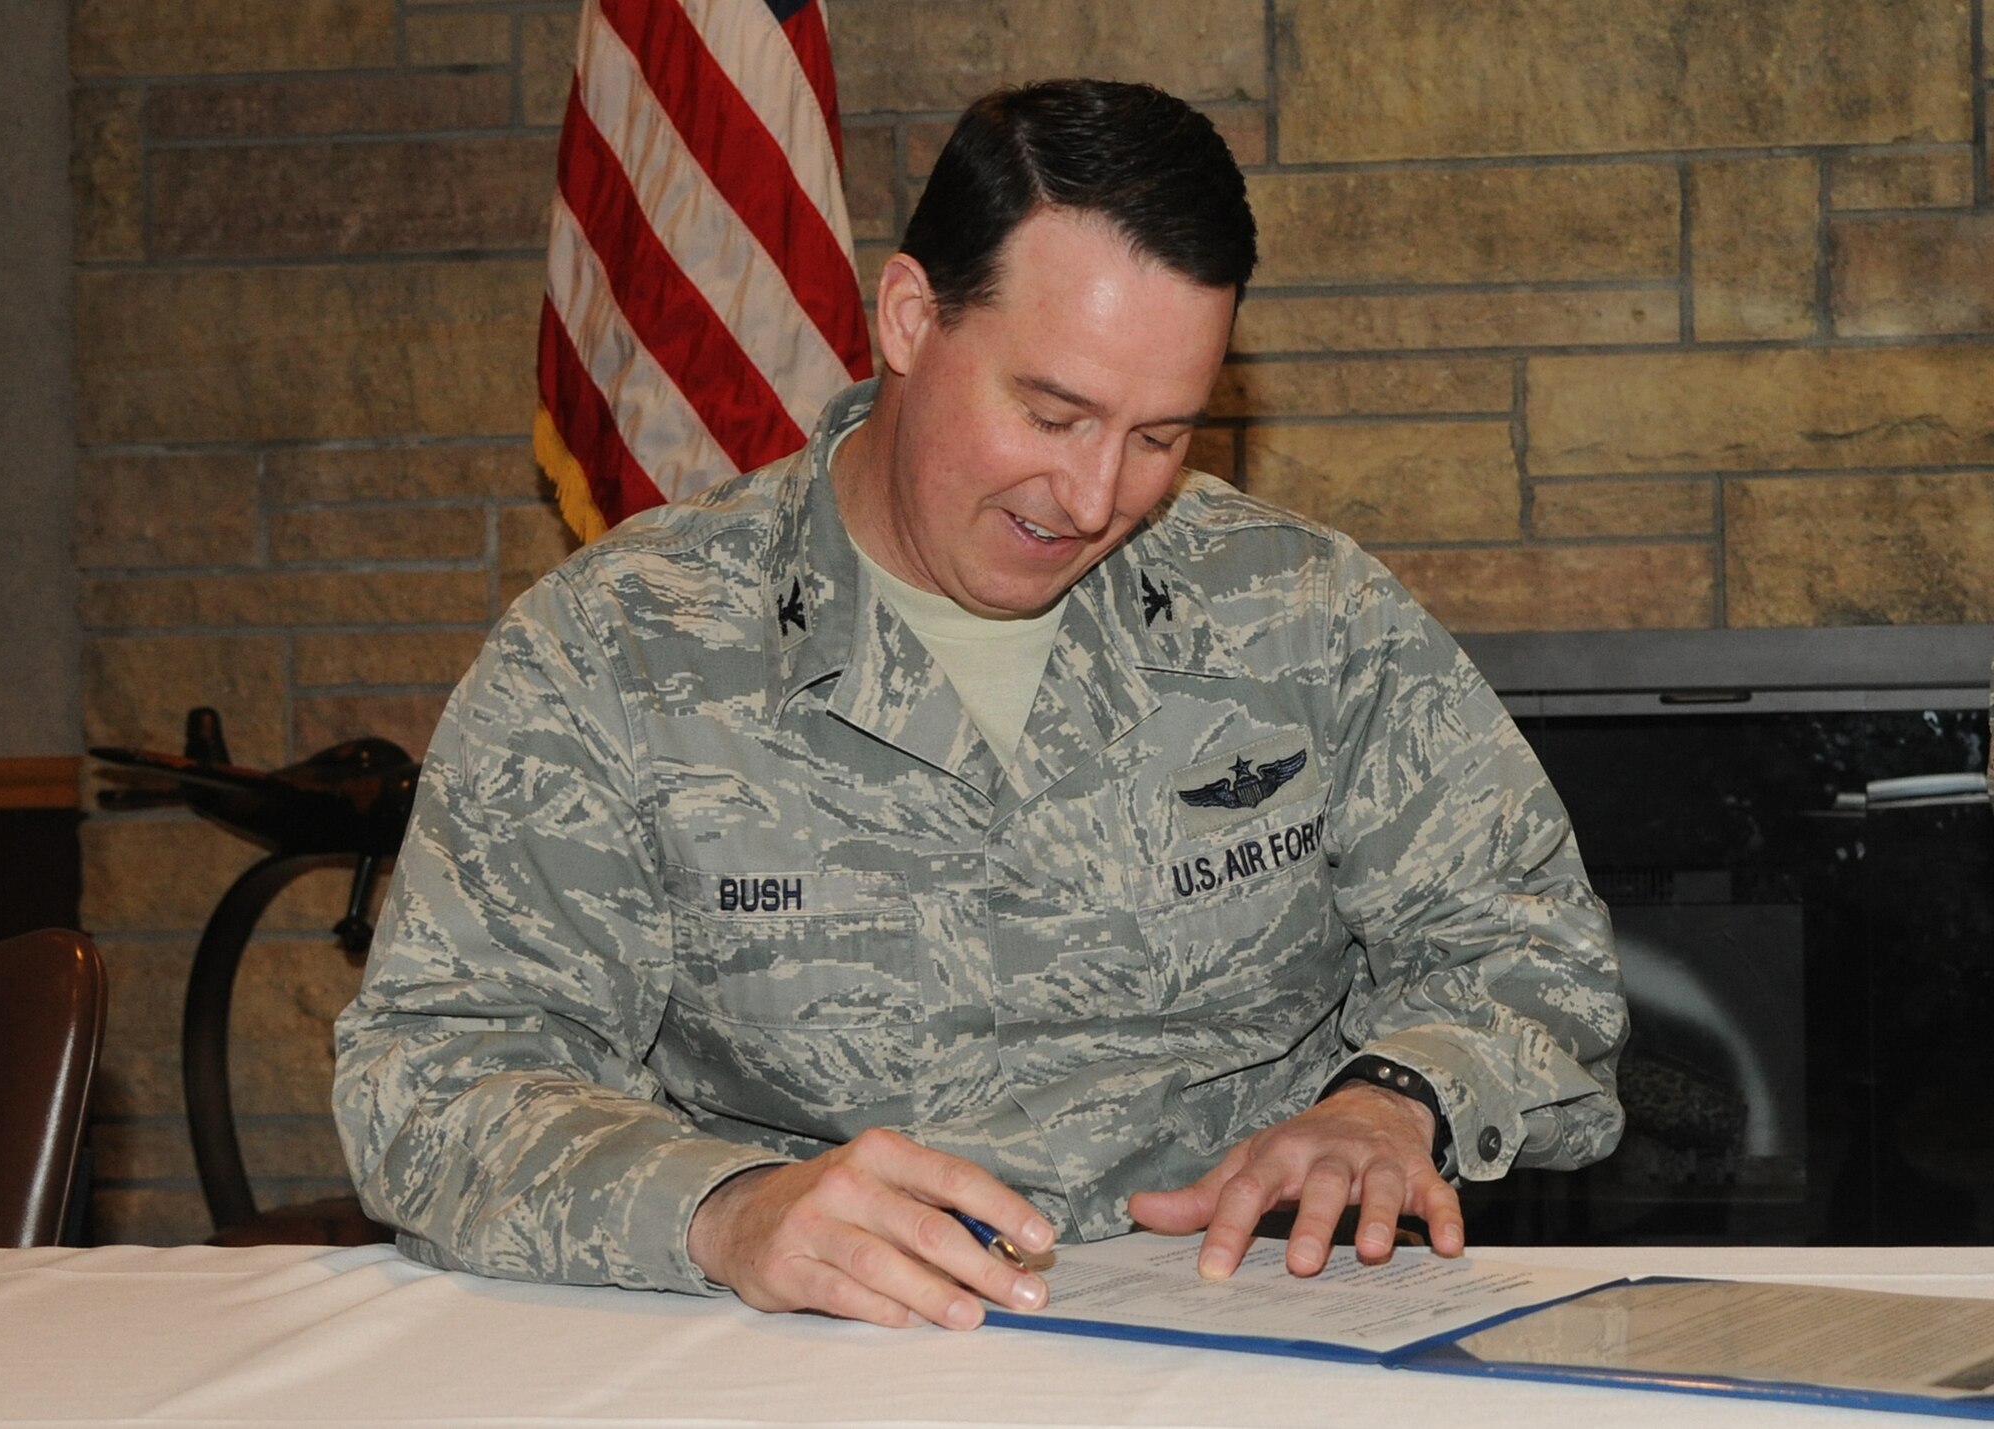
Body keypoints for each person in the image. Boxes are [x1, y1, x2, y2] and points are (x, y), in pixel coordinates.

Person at [334, 78, 1625, 1334]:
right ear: (908, 318)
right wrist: (726, 1209)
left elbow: (1536, 953)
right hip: (815, 1354)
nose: (1093, 493)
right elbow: (431, 1081)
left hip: (1256, 1336)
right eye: (1052, 411)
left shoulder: (1305, 616)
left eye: (1161, 437)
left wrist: (1395, 1101)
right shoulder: (621, 649)